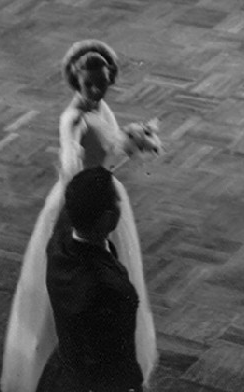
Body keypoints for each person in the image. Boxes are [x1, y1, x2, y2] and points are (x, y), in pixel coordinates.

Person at [1, 41, 160, 392]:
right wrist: (87, 163)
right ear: (76, 81)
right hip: (84, 196)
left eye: (102, 82)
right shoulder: (72, 119)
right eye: (89, 84)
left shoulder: (101, 107)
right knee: (82, 275)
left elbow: (108, 149)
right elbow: (74, 160)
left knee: (103, 271)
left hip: (100, 188)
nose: (96, 90)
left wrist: (131, 143)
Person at [43, 168, 145, 392]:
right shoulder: (111, 289)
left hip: (68, 369)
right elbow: (119, 356)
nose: (121, 203)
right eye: (117, 201)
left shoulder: (58, 245)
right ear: (107, 218)